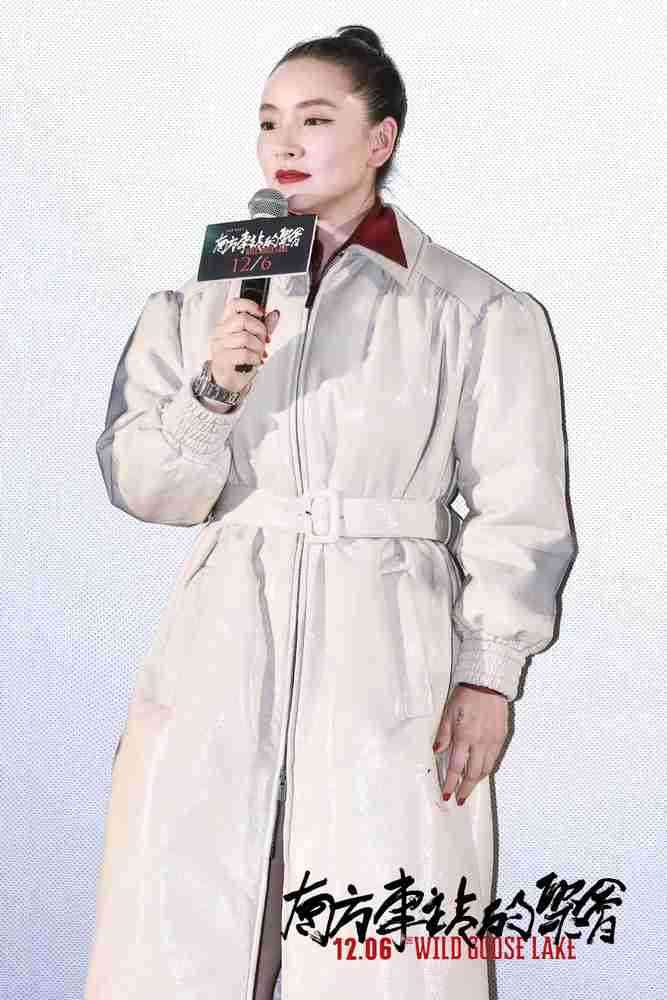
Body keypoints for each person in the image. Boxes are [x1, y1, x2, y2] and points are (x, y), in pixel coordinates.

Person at [84, 24, 576, 1000]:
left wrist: (489, 675)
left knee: (374, 937)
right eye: (269, 121)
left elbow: (519, 510)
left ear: (380, 139)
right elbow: (146, 486)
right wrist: (214, 390)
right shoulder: (202, 306)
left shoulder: (471, 311)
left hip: (387, 652)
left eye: (314, 119)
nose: (285, 143)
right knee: (187, 933)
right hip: (222, 646)